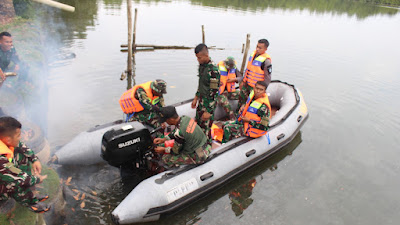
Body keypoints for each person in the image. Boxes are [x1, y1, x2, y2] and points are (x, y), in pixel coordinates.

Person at [0, 116, 50, 213]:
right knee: (16, 183)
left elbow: (20, 145)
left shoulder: (4, 140)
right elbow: (21, 179)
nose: (21, 137)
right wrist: (38, 179)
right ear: (8, 139)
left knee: (22, 156)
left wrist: (34, 159)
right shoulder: (1, 161)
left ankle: (29, 192)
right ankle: (30, 202)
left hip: (4, 173)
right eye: (18, 135)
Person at [191, 44, 220, 144]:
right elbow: (201, 84)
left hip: (208, 103)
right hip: (201, 101)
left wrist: (208, 111)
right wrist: (196, 97)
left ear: (206, 55)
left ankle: (207, 146)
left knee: (206, 127)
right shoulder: (202, 66)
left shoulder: (213, 70)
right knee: (199, 124)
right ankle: (199, 143)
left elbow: (215, 92)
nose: (198, 60)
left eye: (199, 58)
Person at [237, 39, 272, 113]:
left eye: (260, 48)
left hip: (256, 87)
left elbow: (267, 78)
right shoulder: (253, 55)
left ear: (265, 49)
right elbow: (248, 69)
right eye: (257, 46)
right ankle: (237, 115)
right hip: (247, 84)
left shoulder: (266, 61)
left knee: (251, 104)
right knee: (241, 100)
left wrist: (261, 90)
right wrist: (243, 81)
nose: (257, 49)